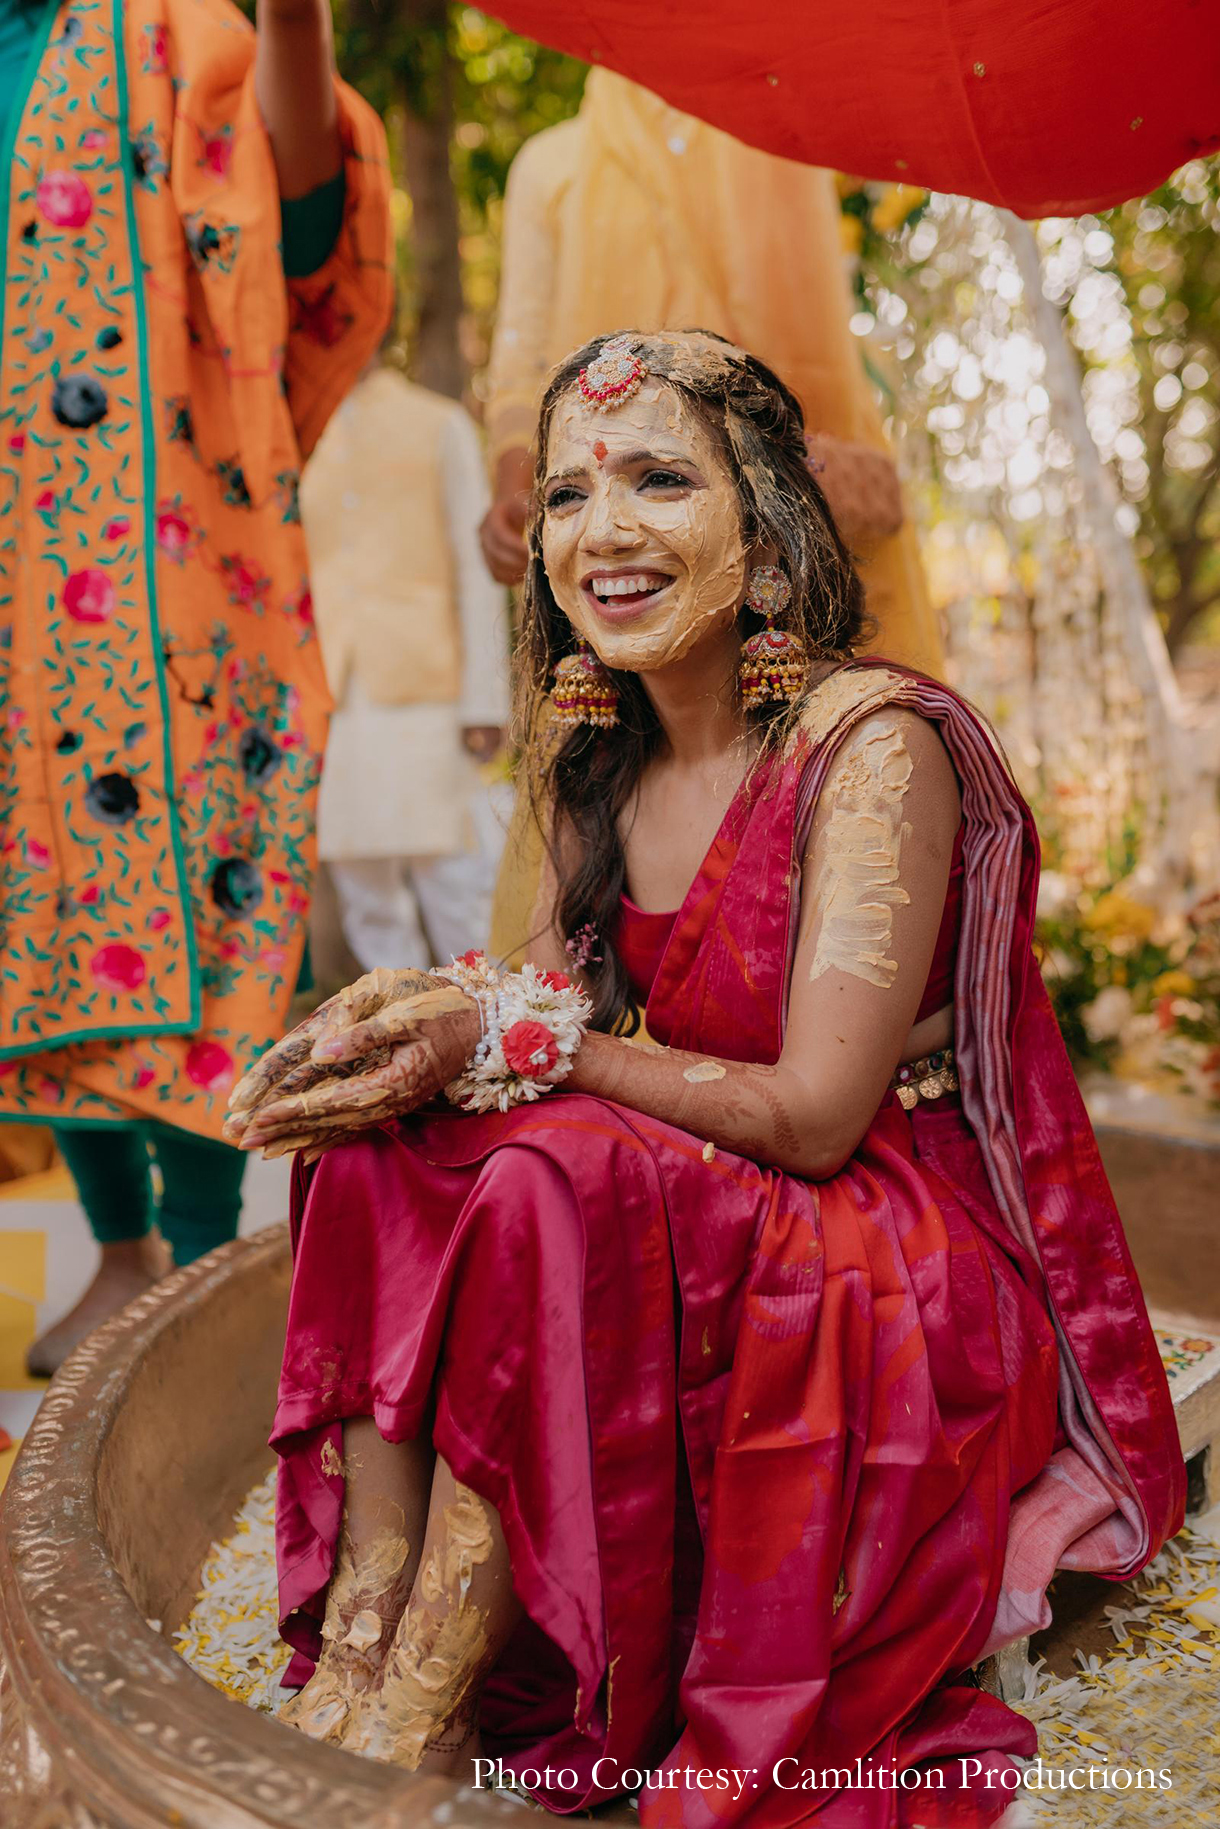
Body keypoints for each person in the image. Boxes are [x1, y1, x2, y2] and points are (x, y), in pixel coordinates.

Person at [228, 332, 1182, 1826]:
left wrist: (526, 1044)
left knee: (555, 1166)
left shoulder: (873, 746)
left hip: (878, 1248)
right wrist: (409, 1026)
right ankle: (371, 1637)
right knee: (384, 1142)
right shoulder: (600, 758)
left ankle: (428, 1698)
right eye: (565, 495)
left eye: (659, 479)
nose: (600, 533)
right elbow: (531, 1015)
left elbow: (811, 1118)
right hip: (692, 1190)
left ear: (773, 530)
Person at [0, 0, 392, 1374]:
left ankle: (214, 1250)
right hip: (8, 567)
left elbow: (289, 231)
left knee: (180, 859)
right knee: (33, 902)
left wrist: (292, 19)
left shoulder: (157, 25)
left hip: (156, 556)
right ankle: (119, 1253)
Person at [478, 67, 941, 962]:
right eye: (562, 500)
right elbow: (519, 377)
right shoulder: (554, 166)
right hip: (628, 613)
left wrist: (816, 474)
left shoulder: (789, 137)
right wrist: (522, 492)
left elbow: (842, 354)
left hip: (787, 538)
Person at [300, 357, 510, 973]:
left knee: (455, 881)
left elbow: (476, 571)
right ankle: (404, 1031)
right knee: (364, 893)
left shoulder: (436, 423)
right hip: (331, 688)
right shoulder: (298, 427)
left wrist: (484, 699)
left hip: (427, 684)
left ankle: (485, 1033)